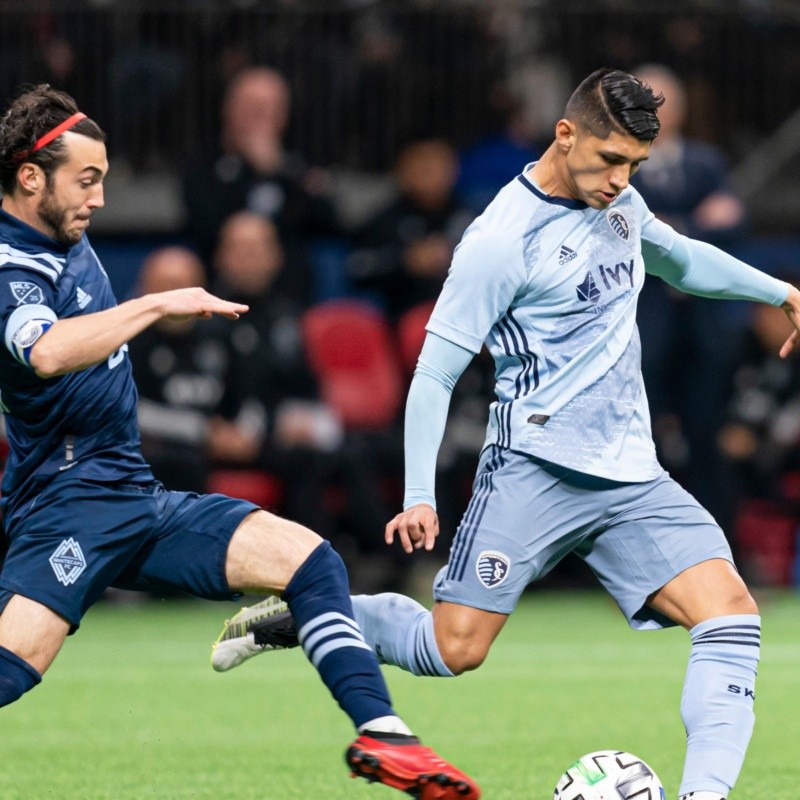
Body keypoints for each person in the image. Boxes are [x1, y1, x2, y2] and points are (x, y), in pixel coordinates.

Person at [215, 68, 800, 800]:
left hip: (629, 476)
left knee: (732, 617)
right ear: (565, 134)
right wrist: (420, 494)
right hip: (533, 468)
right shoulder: (499, 240)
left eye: (634, 166)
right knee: (452, 649)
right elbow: (432, 374)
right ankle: (305, 616)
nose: (621, 179)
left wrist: (779, 292)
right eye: (610, 160)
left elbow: (677, 256)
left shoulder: (618, 202)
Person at [0, 84, 480, 800]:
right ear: (30, 177)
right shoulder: (13, 267)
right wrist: (157, 299)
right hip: (68, 509)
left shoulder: (62, 233)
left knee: (311, 561)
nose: (99, 198)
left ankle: (385, 735)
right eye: (87, 180)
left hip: (133, 496)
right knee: (13, 671)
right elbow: (43, 351)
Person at [630, 63, 748, 528]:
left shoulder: (707, 162)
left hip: (703, 331)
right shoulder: (618, 164)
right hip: (643, 332)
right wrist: (697, 227)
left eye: (663, 99)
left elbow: (735, 222)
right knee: (639, 445)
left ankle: (723, 555)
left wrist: (670, 228)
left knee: (708, 440)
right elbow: (625, 234)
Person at [181, 66, 339, 305]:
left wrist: (280, 169)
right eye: (250, 107)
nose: (257, 117)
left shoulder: (298, 163)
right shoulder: (203, 164)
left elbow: (329, 218)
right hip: (218, 297)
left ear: (283, 115)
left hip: (291, 297)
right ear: (228, 109)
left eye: (267, 109)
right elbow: (203, 223)